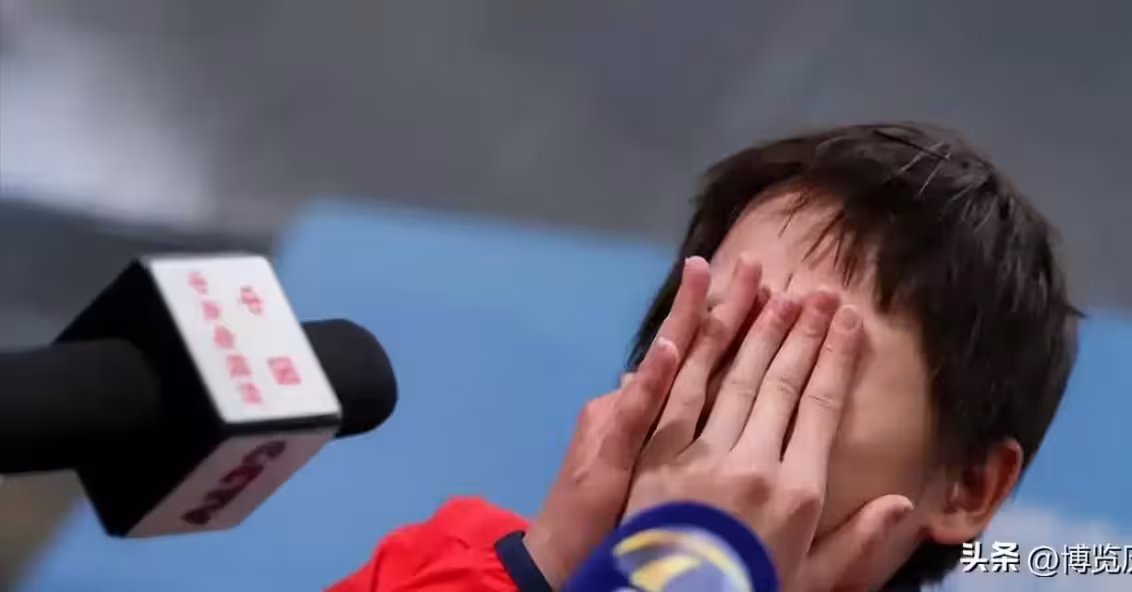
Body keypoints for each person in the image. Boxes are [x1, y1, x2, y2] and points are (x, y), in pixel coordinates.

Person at [328, 122, 1079, 591]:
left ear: (969, 487)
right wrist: (548, 565)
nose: (737, 392)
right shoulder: (450, 564)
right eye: (718, 330)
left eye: (811, 358)